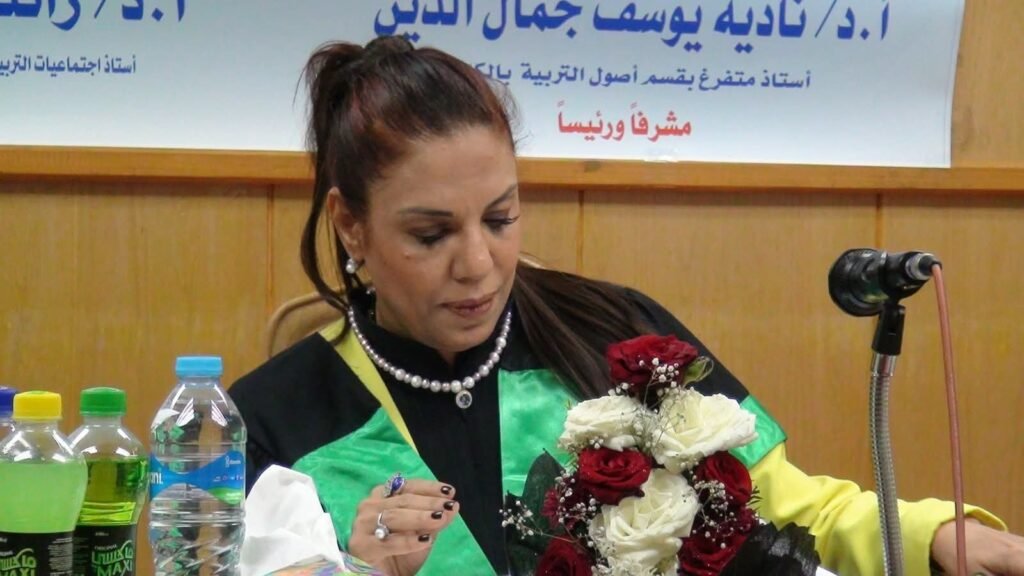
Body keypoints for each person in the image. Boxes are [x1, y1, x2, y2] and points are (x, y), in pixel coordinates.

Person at [228, 36, 1024, 576]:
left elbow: (775, 505)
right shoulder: (270, 422)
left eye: (500, 219)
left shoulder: (614, 336)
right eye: (431, 234)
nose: (478, 265)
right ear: (351, 225)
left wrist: (934, 535)